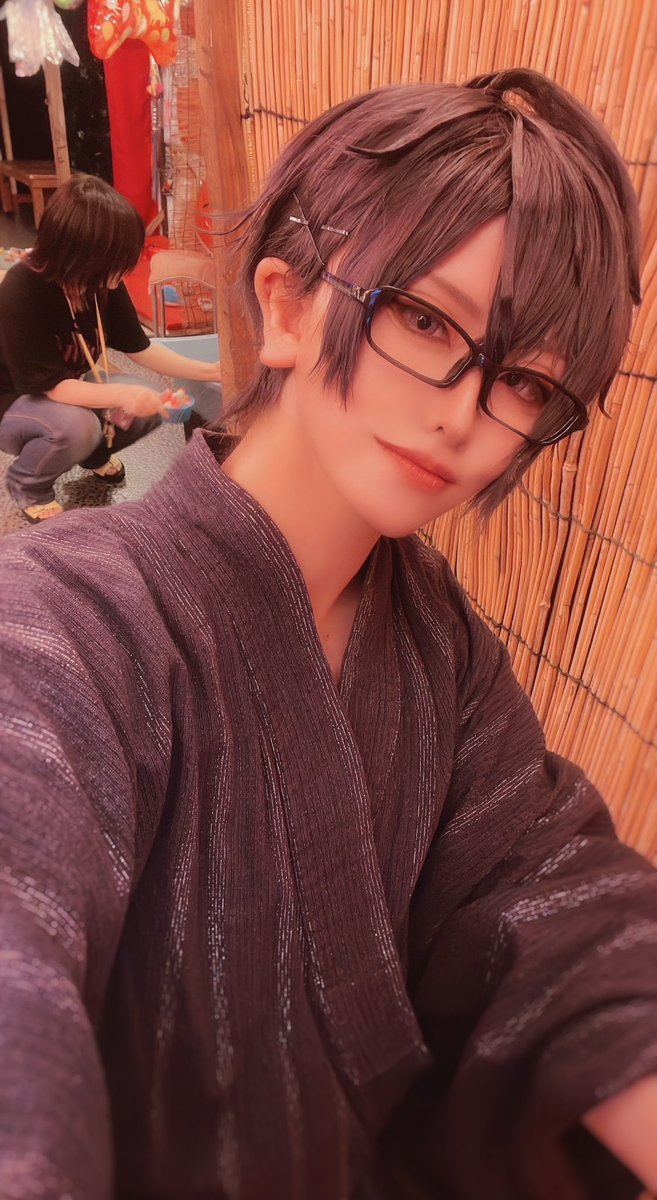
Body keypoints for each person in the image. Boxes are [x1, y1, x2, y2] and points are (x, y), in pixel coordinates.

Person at [0, 69, 656, 1200]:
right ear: (292, 306)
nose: (461, 413)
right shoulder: (64, 629)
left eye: (523, 382)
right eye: (425, 320)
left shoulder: (442, 648)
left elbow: (549, 893)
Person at [0, 174, 220, 523]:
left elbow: (140, 348)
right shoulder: (21, 289)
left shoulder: (100, 281)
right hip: (17, 402)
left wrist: (213, 371)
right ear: (82, 255)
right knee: (77, 427)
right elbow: (53, 387)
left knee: (149, 402)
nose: (124, 272)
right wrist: (120, 395)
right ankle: (27, 483)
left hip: (71, 385)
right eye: (117, 262)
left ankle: (93, 454)